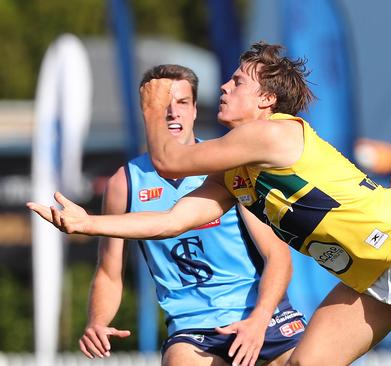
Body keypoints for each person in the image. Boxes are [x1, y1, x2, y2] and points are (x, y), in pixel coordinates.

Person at [29, 42, 391, 366]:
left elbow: (171, 163)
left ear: (266, 100)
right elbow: (178, 215)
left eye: (237, 81)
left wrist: (155, 108)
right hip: (374, 272)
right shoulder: (237, 168)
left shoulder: (271, 134)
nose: (223, 88)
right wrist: (86, 221)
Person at [77, 64, 306, 366]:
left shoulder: (228, 165)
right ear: (147, 109)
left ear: (195, 110)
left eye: (182, 102)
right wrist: (97, 321)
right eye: (163, 104)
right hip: (193, 328)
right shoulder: (125, 183)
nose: (173, 112)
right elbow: (109, 271)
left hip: (261, 314)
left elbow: (278, 257)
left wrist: (260, 320)